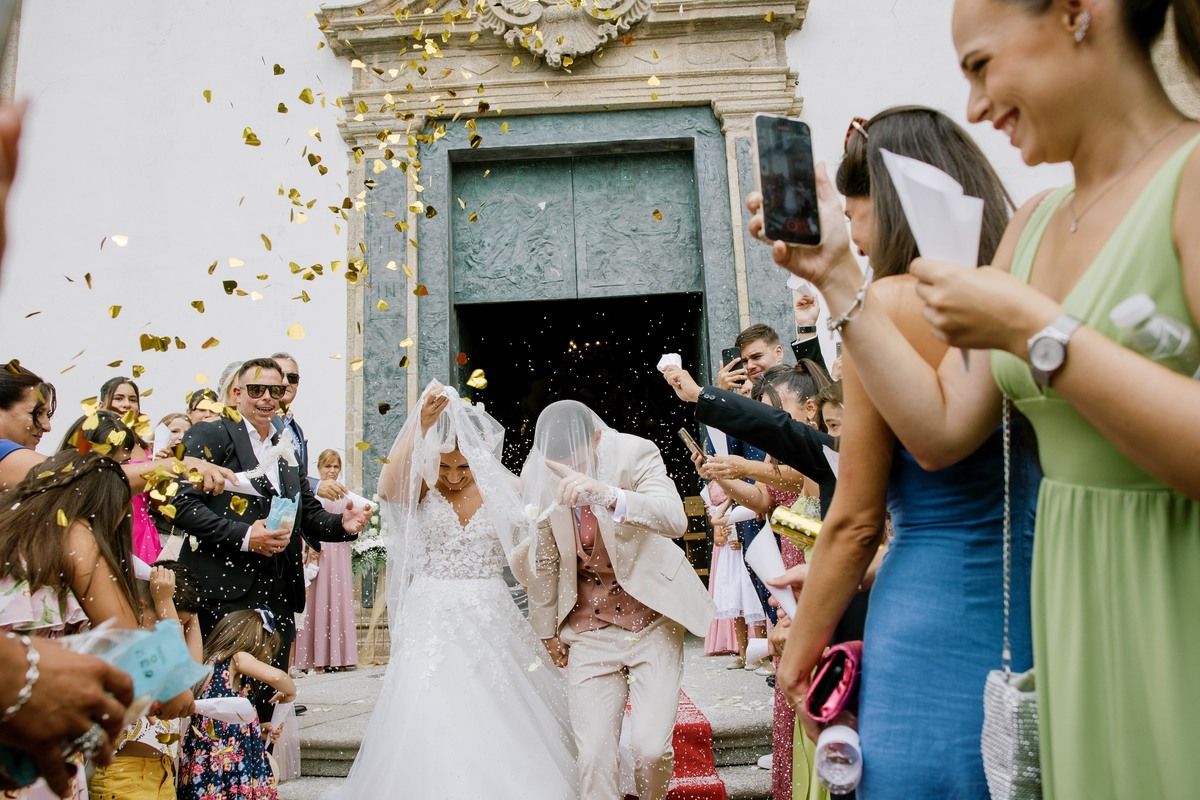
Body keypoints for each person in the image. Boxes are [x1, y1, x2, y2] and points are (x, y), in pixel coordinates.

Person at [769, 5, 1200, 797]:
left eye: (980, 66)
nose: (971, 107)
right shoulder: (1030, 227)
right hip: (1055, 606)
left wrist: (1042, 332)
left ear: (1078, 14)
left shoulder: (1192, 177)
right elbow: (938, 433)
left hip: (1163, 589)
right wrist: (834, 278)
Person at [746, 106, 1039, 798]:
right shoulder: (1010, 293)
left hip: (930, 612)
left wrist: (799, 661)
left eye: (856, 217)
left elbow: (853, 523)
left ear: (894, 208)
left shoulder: (888, 308)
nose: (856, 238)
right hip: (1036, 598)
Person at [328, 381, 576, 799]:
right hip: (432, 608)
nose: (455, 477)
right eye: (446, 468)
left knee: (498, 698)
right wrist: (419, 426)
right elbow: (387, 488)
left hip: (488, 606)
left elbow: (538, 532)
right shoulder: (421, 484)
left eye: (463, 468)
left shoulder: (503, 488)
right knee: (429, 699)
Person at [517, 399, 715, 800]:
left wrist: (606, 494)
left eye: (576, 461)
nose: (567, 473)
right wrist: (545, 630)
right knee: (593, 755)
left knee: (650, 749)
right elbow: (545, 558)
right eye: (557, 464)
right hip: (589, 626)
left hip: (652, 620)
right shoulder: (541, 470)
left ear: (595, 437)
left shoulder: (635, 452)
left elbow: (674, 519)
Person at [171, 358, 369, 722]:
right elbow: (180, 504)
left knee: (267, 701)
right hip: (224, 591)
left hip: (277, 591)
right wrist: (246, 536)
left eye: (275, 391)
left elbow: (306, 513)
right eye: (256, 390)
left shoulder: (284, 445)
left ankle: (261, 777)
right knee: (222, 704)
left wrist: (343, 523)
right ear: (236, 393)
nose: (267, 398)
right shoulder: (211, 435)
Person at [178, 608, 294, 800]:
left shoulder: (209, 661)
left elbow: (229, 714)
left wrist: (257, 729)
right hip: (227, 757)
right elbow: (279, 677)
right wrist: (290, 693)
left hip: (207, 754)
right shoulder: (237, 657)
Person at [294, 449, 358, 673]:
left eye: (335, 466)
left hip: (339, 552)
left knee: (337, 599)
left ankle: (339, 656)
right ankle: (312, 657)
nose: (331, 471)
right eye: (327, 466)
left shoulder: (347, 494)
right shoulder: (312, 493)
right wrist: (308, 547)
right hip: (317, 551)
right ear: (319, 467)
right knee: (316, 602)